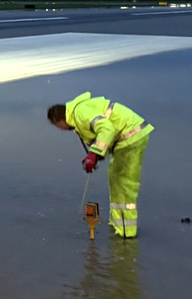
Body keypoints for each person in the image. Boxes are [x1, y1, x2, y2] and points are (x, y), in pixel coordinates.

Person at [47, 93, 153, 238]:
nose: (61, 129)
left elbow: (107, 128)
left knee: (123, 183)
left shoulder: (80, 113)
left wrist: (93, 154)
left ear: (58, 120)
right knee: (115, 177)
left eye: (58, 126)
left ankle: (126, 232)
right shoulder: (78, 115)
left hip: (130, 136)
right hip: (126, 137)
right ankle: (118, 222)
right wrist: (96, 155)